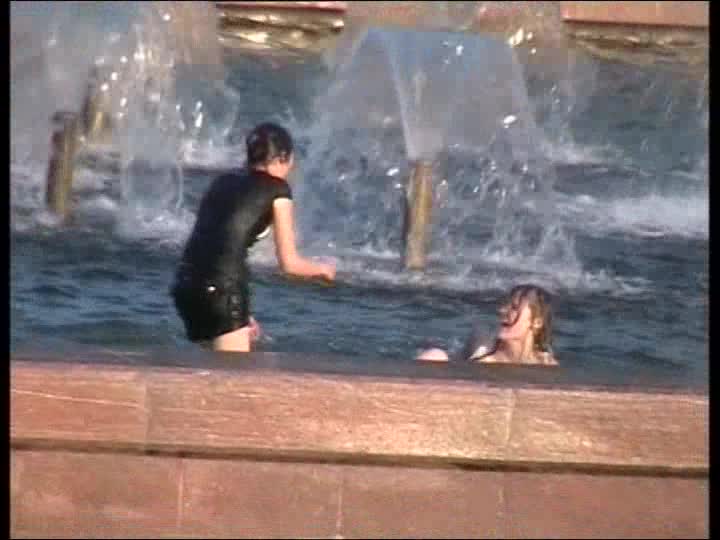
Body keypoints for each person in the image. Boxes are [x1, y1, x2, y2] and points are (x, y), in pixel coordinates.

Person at [171, 122, 336, 352]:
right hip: (222, 290)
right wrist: (324, 270)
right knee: (234, 373)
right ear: (283, 158)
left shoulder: (223, 181)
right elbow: (289, 264)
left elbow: (213, 244)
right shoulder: (278, 189)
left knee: (210, 368)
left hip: (185, 287)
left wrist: (241, 313)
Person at [416, 284, 558, 365]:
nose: (502, 310)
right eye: (505, 306)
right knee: (435, 356)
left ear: (537, 322)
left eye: (514, 308)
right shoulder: (483, 349)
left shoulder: (546, 364)